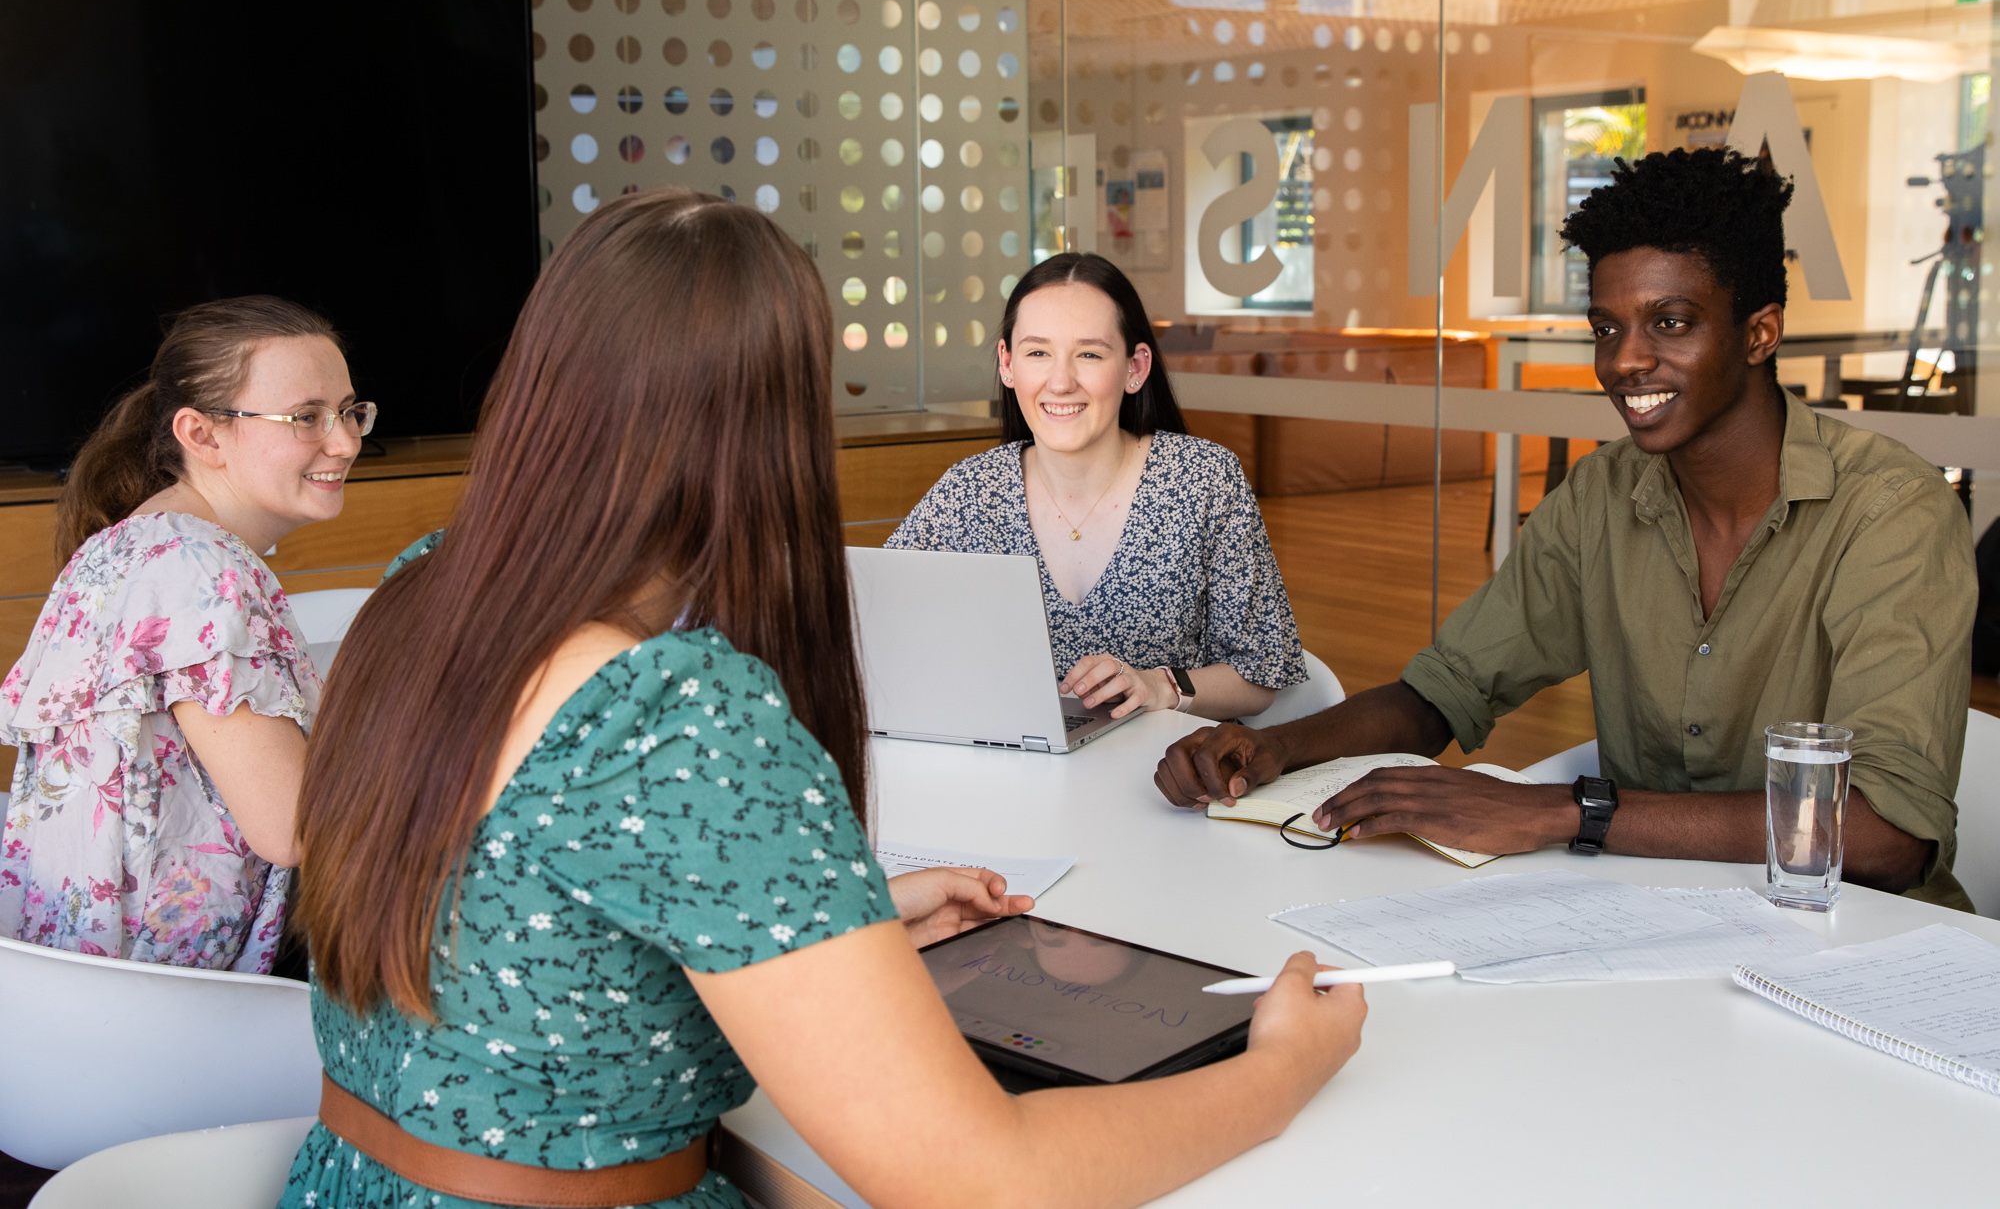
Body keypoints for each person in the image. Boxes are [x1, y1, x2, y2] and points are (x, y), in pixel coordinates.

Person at [283, 191, 1365, 1209]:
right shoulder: (680, 712)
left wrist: (846, 912)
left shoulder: (419, 591)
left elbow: (537, 896)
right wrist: (1277, 1069)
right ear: (774, 421)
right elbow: (977, 1179)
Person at [1154, 147, 1977, 911]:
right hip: (1654, 922)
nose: (1624, 361)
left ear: (1759, 333)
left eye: (1672, 322)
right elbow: (1443, 691)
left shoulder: (1890, 514)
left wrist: (1562, 811)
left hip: (1858, 949)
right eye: (1607, 327)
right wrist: (1272, 749)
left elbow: (1884, 835)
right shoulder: (1602, 496)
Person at [0, 297, 371, 969]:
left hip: (73, 984)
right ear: (201, 435)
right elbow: (294, 826)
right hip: (176, 1001)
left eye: (350, 411)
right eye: (307, 417)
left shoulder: (124, 544)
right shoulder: (201, 569)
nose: (345, 441)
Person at [888, 252, 1306, 723]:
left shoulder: (1206, 480)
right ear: (1007, 364)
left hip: (1168, 783)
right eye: (1037, 352)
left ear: (1135, 367)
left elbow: (1259, 676)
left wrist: (1159, 685)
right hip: (1012, 777)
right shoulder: (967, 493)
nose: (1061, 381)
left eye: (1088, 354)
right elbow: (879, 627)